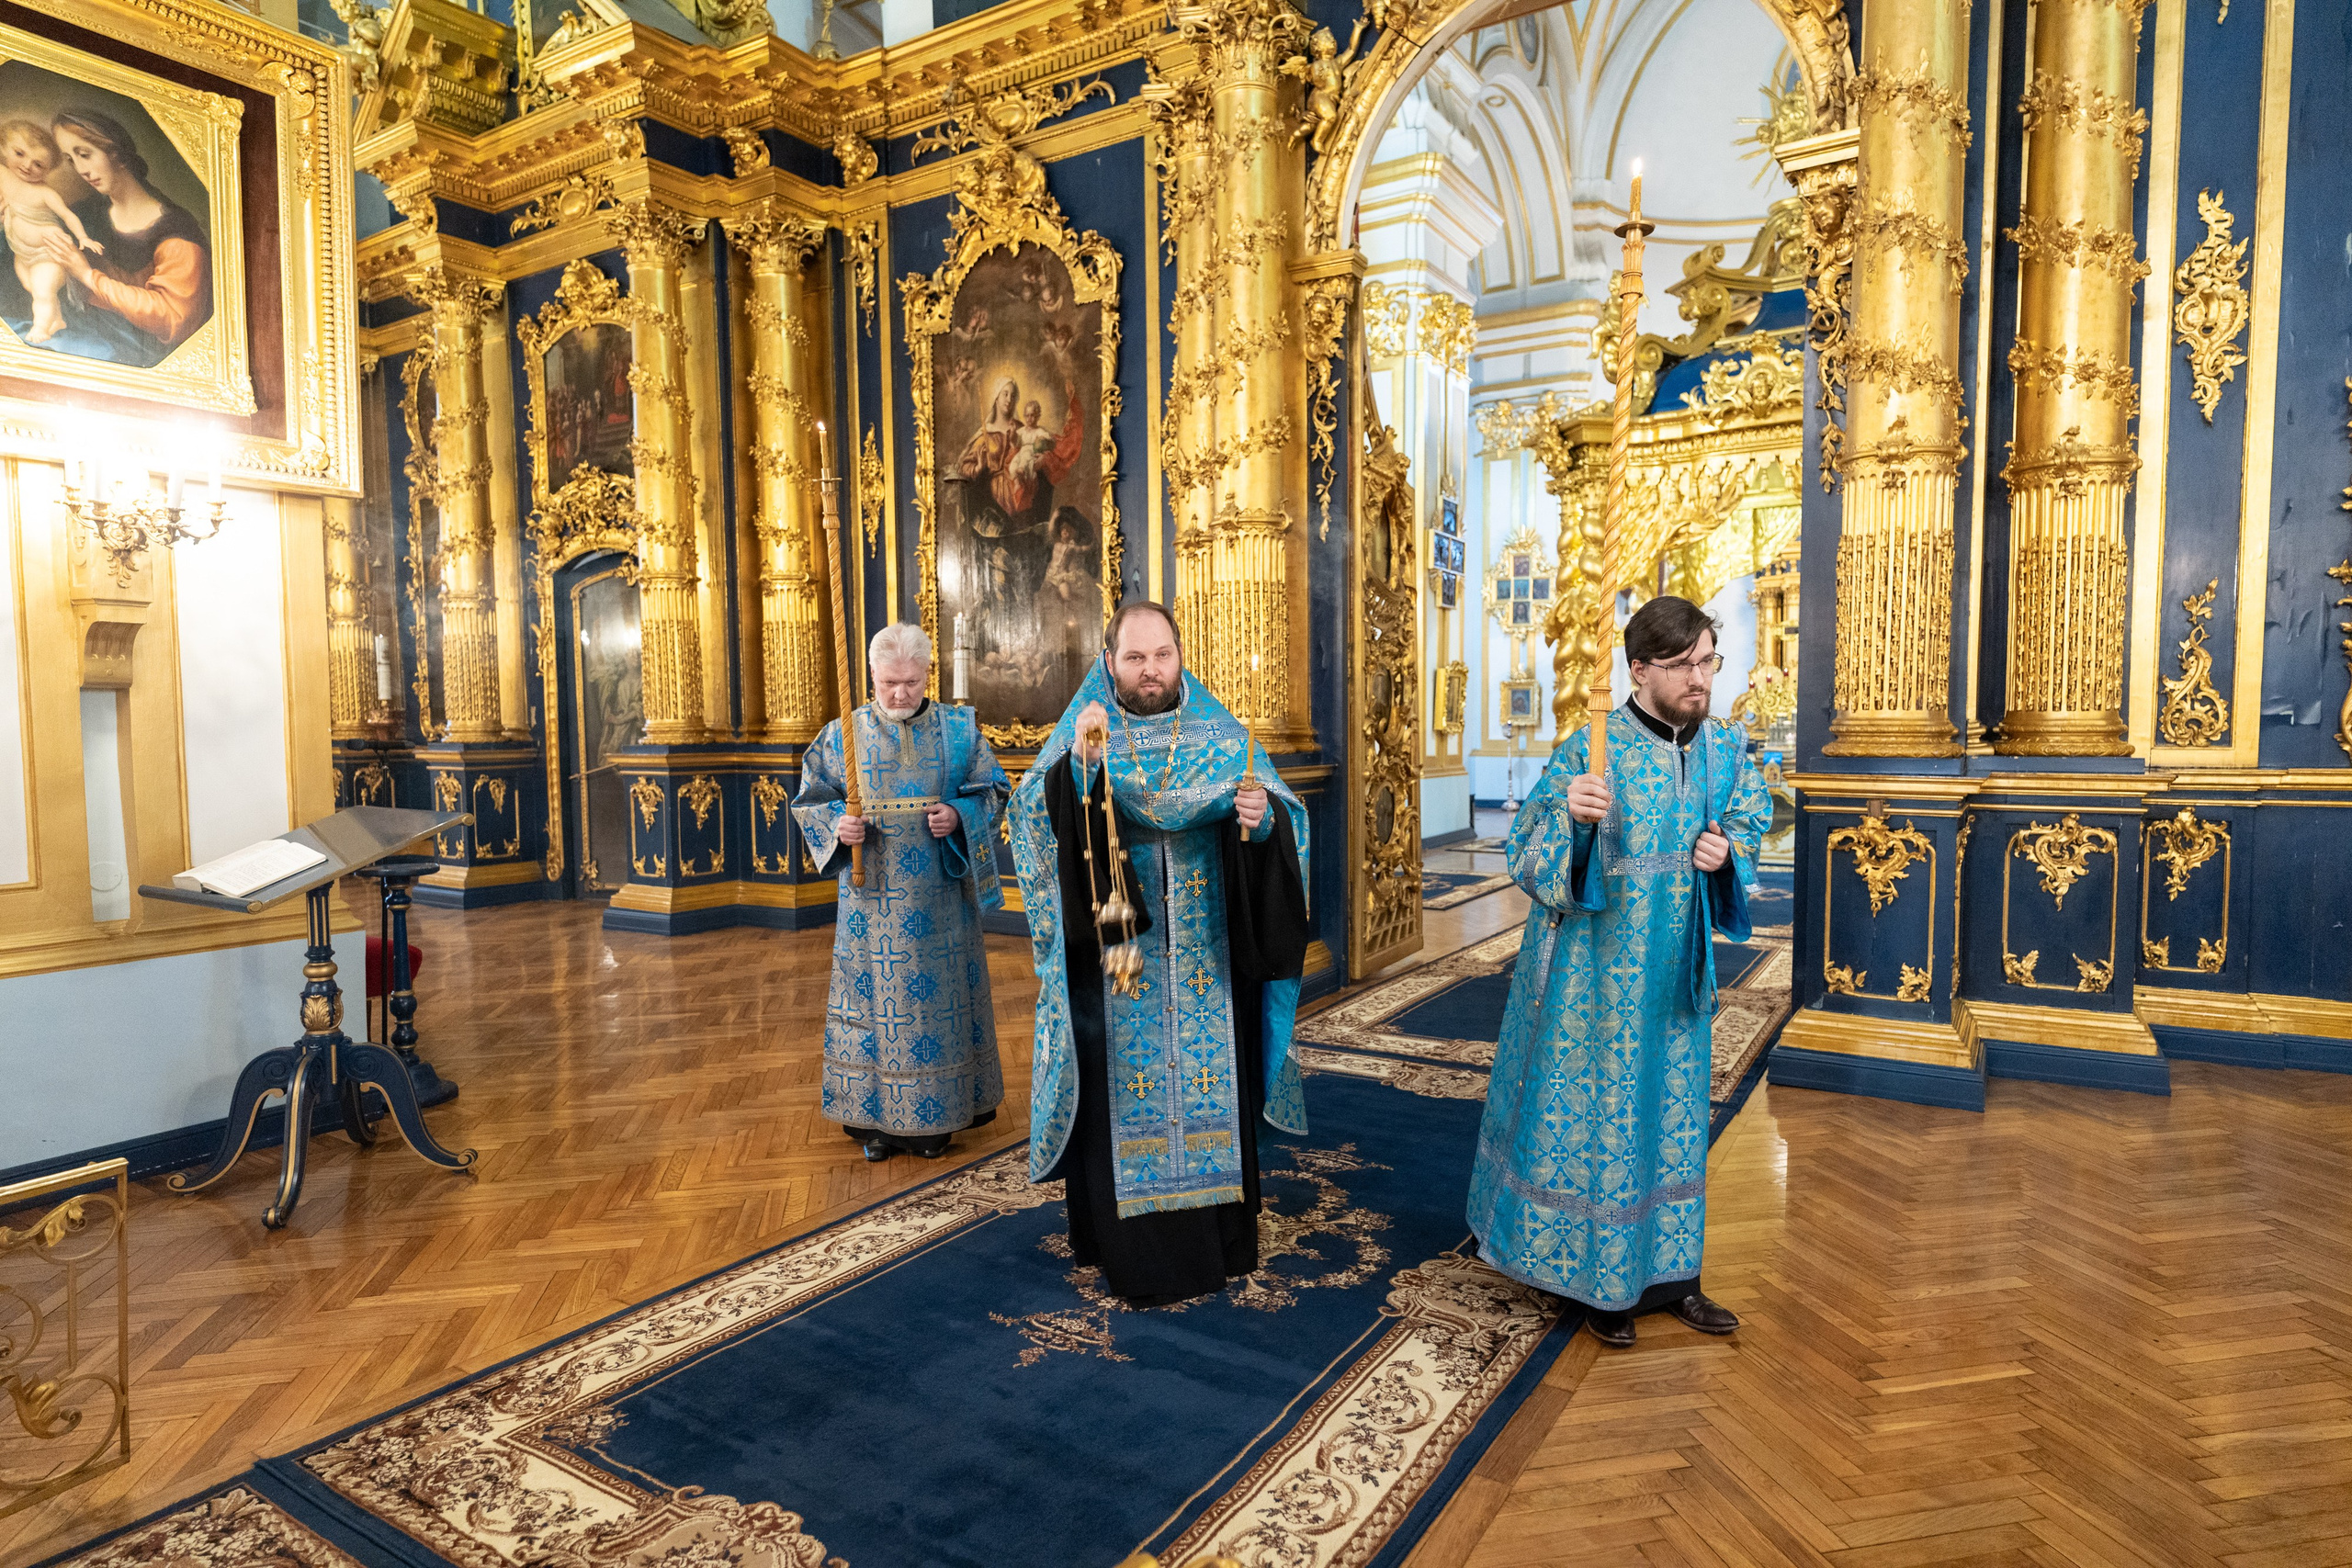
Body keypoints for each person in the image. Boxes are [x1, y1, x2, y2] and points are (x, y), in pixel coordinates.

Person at [1468, 594, 1770, 1347]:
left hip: (1675, 981)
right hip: (1594, 981)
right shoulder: (1590, 747)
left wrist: (1727, 847)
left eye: (1709, 661)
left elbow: (1751, 811)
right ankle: (1602, 1282)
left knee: (1671, 1117)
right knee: (1604, 1120)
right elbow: (1526, 848)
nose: (1702, 678)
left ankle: (1672, 1278)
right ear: (1640, 669)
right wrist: (1571, 814)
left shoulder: (1721, 749)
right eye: (1685, 664)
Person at [1008, 602, 1311, 1306]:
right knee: (1122, 1093)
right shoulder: (1086, 730)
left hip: (1207, 956)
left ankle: (1223, 1240)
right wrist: (1081, 777)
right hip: (1121, 962)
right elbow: (1030, 814)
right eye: (1136, 658)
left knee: (1213, 1088)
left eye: (1163, 656)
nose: (1151, 672)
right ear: (1110, 661)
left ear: (1180, 656)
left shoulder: (1220, 732)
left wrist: (1261, 823)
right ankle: (1127, 1247)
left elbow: (1278, 814)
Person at [792, 623, 1012, 1162]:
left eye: (911, 683)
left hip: (940, 904)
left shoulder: (960, 731)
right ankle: (873, 1123)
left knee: (934, 1011)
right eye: (889, 683)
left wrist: (960, 813)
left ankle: (936, 1119)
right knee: (873, 1011)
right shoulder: (842, 734)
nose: (899, 694)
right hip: (870, 907)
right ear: (872, 676)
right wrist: (835, 828)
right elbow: (810, 799)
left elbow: (996, 790)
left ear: (927, 675)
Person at [15, 109, 211, 366]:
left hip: (131, 352)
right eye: (71, 160)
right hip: (77, 329)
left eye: (85, 155)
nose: (81, 170)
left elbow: (172, 318)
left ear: (115, 153)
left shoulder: (176, 234)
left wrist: (86, 275)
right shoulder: (86, 214)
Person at [0, 121, 103, 344]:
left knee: (42, 293)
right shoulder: (3, 175)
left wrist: (83, 237)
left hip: (49, 254)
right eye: (19, 153)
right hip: (22, 253)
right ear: (3, 149)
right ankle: (56, 320)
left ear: (48, 170)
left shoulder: (45, 192)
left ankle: (41, 329)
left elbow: (68, 216)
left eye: (39, 165)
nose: (28, 165)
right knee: (33, 288)